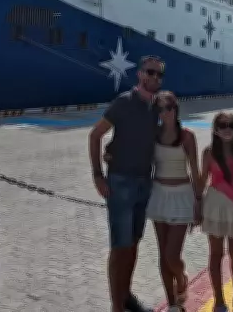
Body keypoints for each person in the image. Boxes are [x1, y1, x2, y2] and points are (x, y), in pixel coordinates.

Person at [89, 55, 165, 312]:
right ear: (140, 74)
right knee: (119, 246)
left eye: (159, 74)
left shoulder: (156, 107)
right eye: (150, 72)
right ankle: (116, 306)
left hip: (144, 182)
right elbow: (96, 135)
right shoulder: (124, 102)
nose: (155, 77)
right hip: (120, 182)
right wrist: (98, 175)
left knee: (133, 243)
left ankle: (125, 295)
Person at [145, 91, 201, 311]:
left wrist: (199, 201)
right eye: (159, 109)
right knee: (163, 254)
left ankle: (182, 277)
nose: (164, 113)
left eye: (168, 108)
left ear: (175, 109)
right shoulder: (153, 134)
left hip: (181, 196)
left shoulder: (187, 137)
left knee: (172, 255)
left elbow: (195, 171)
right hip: (159, 195)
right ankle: (172, 303)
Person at [200, 112, 233, 312]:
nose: (227, 129)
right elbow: (202, 180)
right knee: (216, 254)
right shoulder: (209, 152)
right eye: (222, 126)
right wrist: (196, 206)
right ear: (215, 130)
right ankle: (219, 301)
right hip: (215, 207)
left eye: (231, 125)